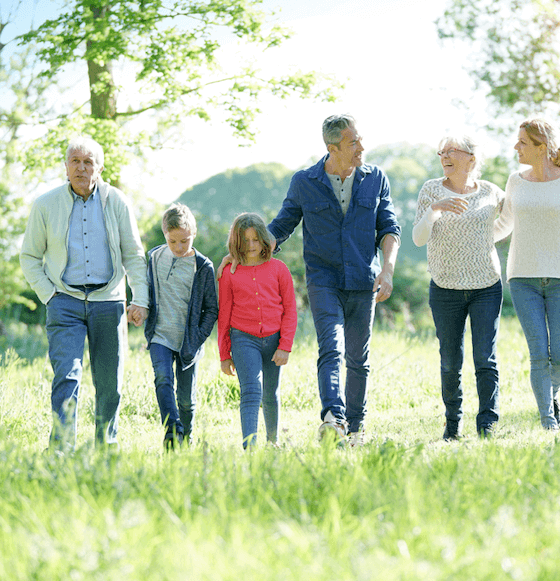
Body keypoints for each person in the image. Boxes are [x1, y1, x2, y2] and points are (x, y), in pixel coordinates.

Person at [222, 114, 401, 446]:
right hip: (324, 280)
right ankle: (333, 418)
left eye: (360, 139)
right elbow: (281, 225)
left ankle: (356, 429)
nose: (361, 147)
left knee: (358, 358)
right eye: (353, 142)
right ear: (332, 148)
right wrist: (243, 252)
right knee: (330, 347)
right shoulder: (305, 181)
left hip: (364, 279)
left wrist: (387, 270)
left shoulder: (376, 178)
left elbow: (389, 228)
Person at [20, 135, 149, 450]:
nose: (81, 168)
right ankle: (62, 450)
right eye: (75, 161)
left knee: (110, 384)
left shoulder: (117, 201)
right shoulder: (45, 204)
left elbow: (133, 254)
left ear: (99, 168)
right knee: (67, 378)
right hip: (64, 303)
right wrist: (50, 295)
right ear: (65, 167)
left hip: (110, 303)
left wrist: (140, 299)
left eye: (88, 162)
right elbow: (29, 256)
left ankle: (107, 447)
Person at [494, 117, 560, 430]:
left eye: (523, 142)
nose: (516, 147)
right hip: (523, 278)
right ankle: (548, 420)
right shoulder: (515, 180)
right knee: (539, 354)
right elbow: (504, 224)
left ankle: (550, 398)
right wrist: (471, 234)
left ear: (542, 147)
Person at [412, 133, 505, 440]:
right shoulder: (430, 190)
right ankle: (453, 426)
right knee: (451, 361)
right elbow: (418, 237)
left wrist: (488, 238)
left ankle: (487, 425)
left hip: (486, 285)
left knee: (484, 358)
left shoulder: (491, 191)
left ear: (471, 158)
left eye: (452, 151)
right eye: (442, 151)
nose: (445, 156)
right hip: (445, 287)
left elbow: (510, 219)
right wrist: (434, 209)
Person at [218, 213, 297, 448]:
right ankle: (249, 447)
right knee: (251, 392)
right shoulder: (229, 273)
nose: (251, 246)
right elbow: (224, 315)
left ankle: (273, 442)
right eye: (245, 240)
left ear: (264, 239)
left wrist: (285, 346)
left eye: (255, 239)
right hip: (243, 339)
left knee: (270, 394)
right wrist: (224, 355)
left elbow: (290, 310)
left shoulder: (279, 269)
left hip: (274, 340)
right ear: (236, 243)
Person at [144, 203, 218, 451]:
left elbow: (212, 309)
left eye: (184, 241)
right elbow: (144, 290)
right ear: (165, 234)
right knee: (163, 378)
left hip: (188, 342)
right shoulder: (154, 258)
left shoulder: (203, 266)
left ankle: (185, 441)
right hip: (160, 336)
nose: (178, 247)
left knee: (186, 400)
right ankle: (172, 429)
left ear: (193, 235)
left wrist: (197, 337)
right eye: (172, 241)